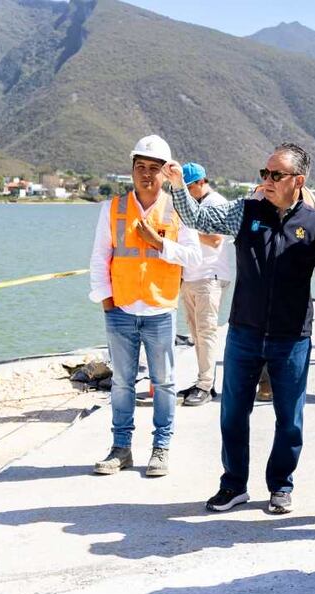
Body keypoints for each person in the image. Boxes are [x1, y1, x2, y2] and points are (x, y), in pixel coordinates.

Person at [163, 143, 315, 515]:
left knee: (289, 418)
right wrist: (179, 185)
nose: (268, 181)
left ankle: (281, 485)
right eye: (265, 174)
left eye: (276, 175)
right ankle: (233, 485)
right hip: (244, 331)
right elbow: (199, 220)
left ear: (298, 180)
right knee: (232, 412)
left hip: (292, 335)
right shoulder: (245, 211)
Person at [87, 135, 202, 476]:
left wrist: (159, 243)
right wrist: (105, 300)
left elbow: (194, 258)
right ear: (132, 170)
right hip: (120, 308)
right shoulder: (113, 208)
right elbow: (99, 258)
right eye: (141, 168)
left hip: (160, 310)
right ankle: (121, 449)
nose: (147, 175)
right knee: (121, 383)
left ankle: (160, 448)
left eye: (155, 168)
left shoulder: (180, 208)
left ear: (167, 173)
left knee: (163, 382)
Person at [177, 163, 234, 407]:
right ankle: (203, 381)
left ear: (201, 182)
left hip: (209, 277)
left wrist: (187, 228)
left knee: (207, 332)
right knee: (196, 334)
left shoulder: (216, 203)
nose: (187, 193)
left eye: (189, 188)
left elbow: (215, 239)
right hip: (189, 276)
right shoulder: (191, 205)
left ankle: (205, 385)